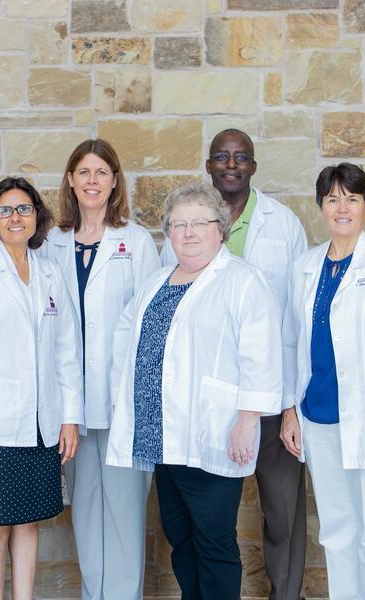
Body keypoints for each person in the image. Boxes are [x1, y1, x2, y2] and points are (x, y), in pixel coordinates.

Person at [108, 181, 283, 599]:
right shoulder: (156, 282)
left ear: (219, 229)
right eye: (178, 224)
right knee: (181, 540)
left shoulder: (242, 281)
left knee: (214, 542)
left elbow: (262, 355)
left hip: (213, 433)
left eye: (198, 223)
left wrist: (247, 420)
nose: (187, 233)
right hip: (161, 436)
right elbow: (125, 339)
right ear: (168, 232)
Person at [161, 129, 308, 600]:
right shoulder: (186, 225)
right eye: (221, 157)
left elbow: (295, 316)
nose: (231, 164)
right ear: (208, 165)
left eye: (240, 157)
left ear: (253, 166)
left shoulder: (282, 224)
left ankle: (285, 594)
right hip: (205, 402)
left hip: (271, 397)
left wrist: (289, 405)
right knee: (204, 523)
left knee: (282, 510)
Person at [0, 177, 84, 600]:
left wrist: (69, 417)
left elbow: (66, 350)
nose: (15, 217)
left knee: (28, 522)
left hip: (42, 423)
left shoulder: (49, 271)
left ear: (36, 217)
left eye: (24, 209)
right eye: (5, 210)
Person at [40, 138, 160, 600]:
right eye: (84, 172)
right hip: (72, 407)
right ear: (71, 179)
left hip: (122, 402)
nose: (92, 181)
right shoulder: (51, 243)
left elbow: (148, 325)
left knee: (126, 514)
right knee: (86, 512)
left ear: (114, 182)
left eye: (101, 173)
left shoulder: (135, 240)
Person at [281, 163, 365, 600]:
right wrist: (290, 410)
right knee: (335, 528)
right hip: (318, 417)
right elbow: (292, 343)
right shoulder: (305, 267)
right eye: (333, 199)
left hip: (362, 416)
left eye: (352, 198)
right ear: (320, 208)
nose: (342, 207)